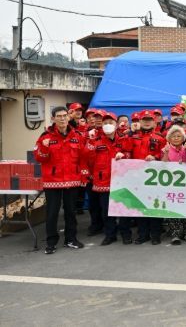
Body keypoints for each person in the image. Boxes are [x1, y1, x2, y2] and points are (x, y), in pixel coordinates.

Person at [34, 106, 88, 254]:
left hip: (72, 180)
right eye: (59, 116)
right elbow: (39, 158)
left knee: (71, 212)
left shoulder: (77, 135)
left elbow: (83, 158)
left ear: (68, 117)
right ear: (53, 118)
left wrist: (83, 175)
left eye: (64, 115)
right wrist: (44, 148)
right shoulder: (45, 137)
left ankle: (71, 239)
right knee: (52, 213)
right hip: (52, 181)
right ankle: (51, 242)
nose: (62, 118)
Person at [86, 112, 131, 246]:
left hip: (121, 179)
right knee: (106, 210)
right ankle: (110, 235)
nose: (107, 125)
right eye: (105, 123)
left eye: (110, 123)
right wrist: (90, 142)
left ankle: (126, 234)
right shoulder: (96, 140)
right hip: (103, 180)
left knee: (123, 209)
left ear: (116, 125)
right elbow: (88, 159)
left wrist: (124, 155)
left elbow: (130, 153)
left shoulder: (124, 139)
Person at [129, 110, 167, 245]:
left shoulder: (160, 138)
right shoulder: (132, 137)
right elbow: (127, 152)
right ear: (139, 121)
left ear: (154, 122)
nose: (146, 122)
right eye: (144, 120)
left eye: (149, 120)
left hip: (154, 178)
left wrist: (155, 157)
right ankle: (142, 234)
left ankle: (156, 235)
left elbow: (165, 156)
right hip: (137, 178)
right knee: (140, 206)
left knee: (155, 206)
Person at [162, 125, 186, 245]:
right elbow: (163, 165)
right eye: (173, 136)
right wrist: (165, 153)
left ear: (183, 138)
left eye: (178, 136)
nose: (176, 138)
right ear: (169, 138)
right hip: (171, 185)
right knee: (173, 209)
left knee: (185, 207)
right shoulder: (166, 149)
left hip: (185, 184)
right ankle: (175, 234)